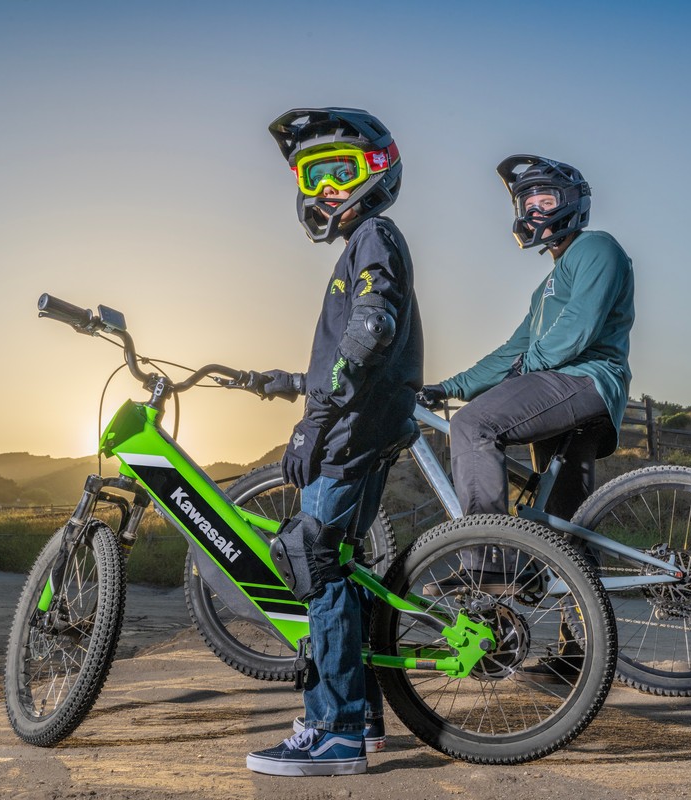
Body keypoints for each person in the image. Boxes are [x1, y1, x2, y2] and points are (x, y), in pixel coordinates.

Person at [243, 107, 422, 777]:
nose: (324, 189)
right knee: (337, 565)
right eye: (311, 175)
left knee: (313, 561)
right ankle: (364, 719)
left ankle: (334, 730)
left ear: (375, 170)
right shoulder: (366, 244)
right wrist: (292, 383)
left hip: (350, 433)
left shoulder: (373, 236)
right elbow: (350, 352)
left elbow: (371, 333)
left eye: (339, 171)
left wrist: (312, 422)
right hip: (361, 424)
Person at [418, 154, 634, 588]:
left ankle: (489, 562)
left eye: (544, 201)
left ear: (571, 202)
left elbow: (577, 327)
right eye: (526, 204)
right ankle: (580, 628)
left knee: (473, 425)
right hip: (563, 391)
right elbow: (513, 351)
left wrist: (525, 368)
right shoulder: (544, 290)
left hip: (583, 379)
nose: (534, 211)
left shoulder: (597, 248)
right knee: (564, 527)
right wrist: (448, 387)